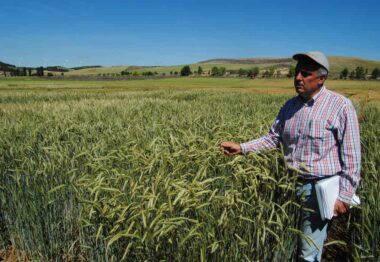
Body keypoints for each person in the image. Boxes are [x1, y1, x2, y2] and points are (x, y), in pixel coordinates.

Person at [220, 51, 361, 262]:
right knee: (286, 244)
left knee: (308, 253)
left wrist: (345, 196)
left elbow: (351, 155)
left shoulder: (340, 106)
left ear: (321, 78)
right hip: (288, 188)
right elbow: (272, 138)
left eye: (305, 74)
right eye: (296, 73)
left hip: (320, 191)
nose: (297, 78)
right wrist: (241, 147)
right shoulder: (289, 106)